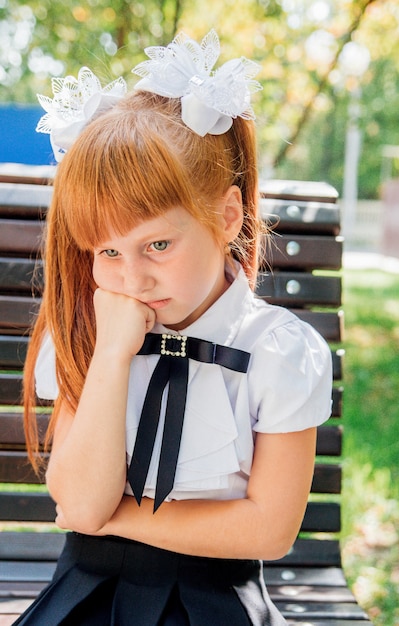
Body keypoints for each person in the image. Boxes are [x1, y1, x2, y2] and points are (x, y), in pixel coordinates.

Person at [16, 30, 332, 626]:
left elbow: (269, 529)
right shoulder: (87, 331)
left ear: (227, 214)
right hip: (86, 594)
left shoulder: (277, 353)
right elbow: (79, 501)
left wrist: (120, 520)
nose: (132, 278)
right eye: (106, 251)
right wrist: (111, 352)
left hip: (215, 601)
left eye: (157, 243)